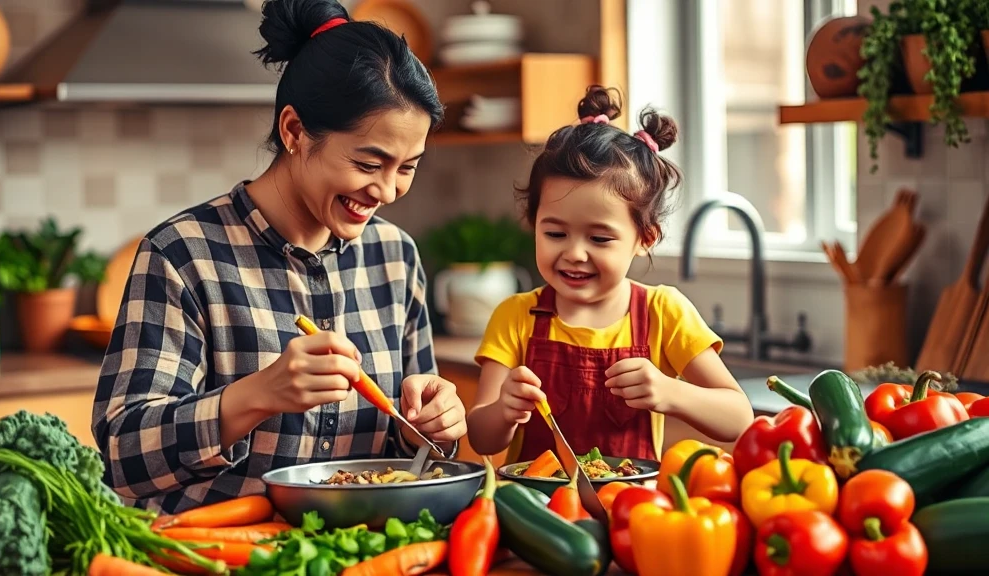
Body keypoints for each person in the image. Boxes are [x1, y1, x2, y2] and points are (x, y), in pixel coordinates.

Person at [91, 0, 467, 513]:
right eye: (368, 163)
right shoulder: (182, 254)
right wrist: (257, 394)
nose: (387, 191)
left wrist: (431, 429)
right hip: (215, 547)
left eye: (407, 167)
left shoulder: (395, 256)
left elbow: (415, 456)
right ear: (293, 131)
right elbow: (121, 457)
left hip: (363, 546)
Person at [466, 86, 754, 464]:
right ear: (533, 224)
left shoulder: (663, 312)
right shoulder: (516, 315)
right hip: (534, 498)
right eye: (555, 234)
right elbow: (482, 439)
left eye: (599, 238)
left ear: (645, 239)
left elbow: (739, 417)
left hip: (629, 499)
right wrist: (503, 410)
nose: (574, 253)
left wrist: (670, 393)